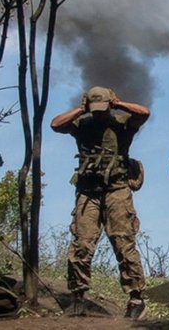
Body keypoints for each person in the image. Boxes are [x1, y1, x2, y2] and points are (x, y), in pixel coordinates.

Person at [50, 86, 149, 320]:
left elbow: (144, 113)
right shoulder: (82, 123)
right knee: (82, 244)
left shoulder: (122, 122)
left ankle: (136, 299)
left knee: (123, 243)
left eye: (102, 109)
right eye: (95, 109)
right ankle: (78, 298)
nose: (99, 114)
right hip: (88, 192)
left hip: (117, 190)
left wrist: (119, 103)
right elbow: (55, 125)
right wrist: (80, 109)